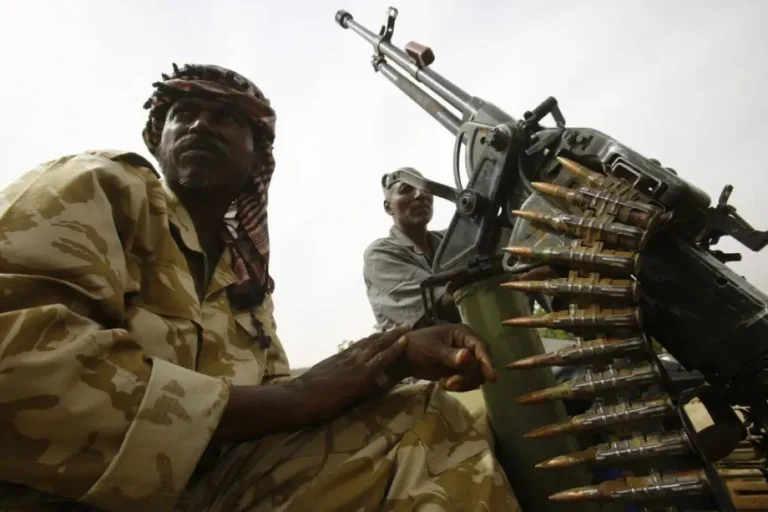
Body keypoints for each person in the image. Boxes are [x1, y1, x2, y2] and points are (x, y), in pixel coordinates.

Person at [0, 64, 520, 511]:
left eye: (225, 117)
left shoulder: (244, 283)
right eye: (184, 113)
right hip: (58, 496)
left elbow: (273, 402)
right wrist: (298, 397)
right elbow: (20, 367)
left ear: (257, 155)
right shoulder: (100, 188)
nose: (202, 123)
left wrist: (395, 361)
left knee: (424, 417)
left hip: (207, 490)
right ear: (156, 137)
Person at [363, 169, 462, 332]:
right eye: (406, 190)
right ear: (388, 207)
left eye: (425, 188)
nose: (419, 195)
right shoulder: (379, 255)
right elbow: (447, 304)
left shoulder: (448, 240)